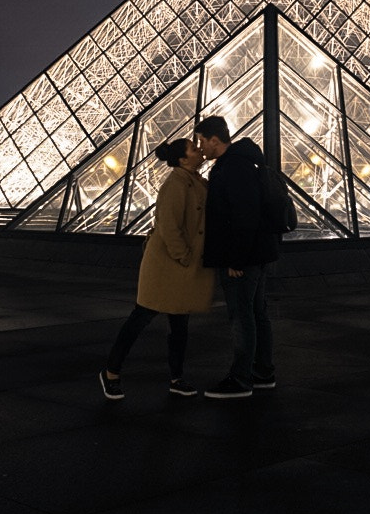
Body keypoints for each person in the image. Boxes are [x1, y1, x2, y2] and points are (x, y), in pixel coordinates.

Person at [99, 138, 213, 400]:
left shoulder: (194, 180)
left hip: (178, 264)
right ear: (183, 159)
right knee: (140, 319)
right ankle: (111, 372)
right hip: (166, 265)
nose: (199, 151)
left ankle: (176, 378)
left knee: (179, 325)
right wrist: (184, 256)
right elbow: (169, 226)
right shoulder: (175, 184)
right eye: (194, 149)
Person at [194, 115, 280, 399]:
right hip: (259, 251)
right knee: (257, 313)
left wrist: (236, 260)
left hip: (244, 257)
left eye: (202, 141)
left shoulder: (233, 167)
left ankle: (242, 379)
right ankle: (263, 372)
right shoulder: (246, 161)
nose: (200, 148)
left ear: (215, 140)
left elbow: (243, 217)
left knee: (242, 316)